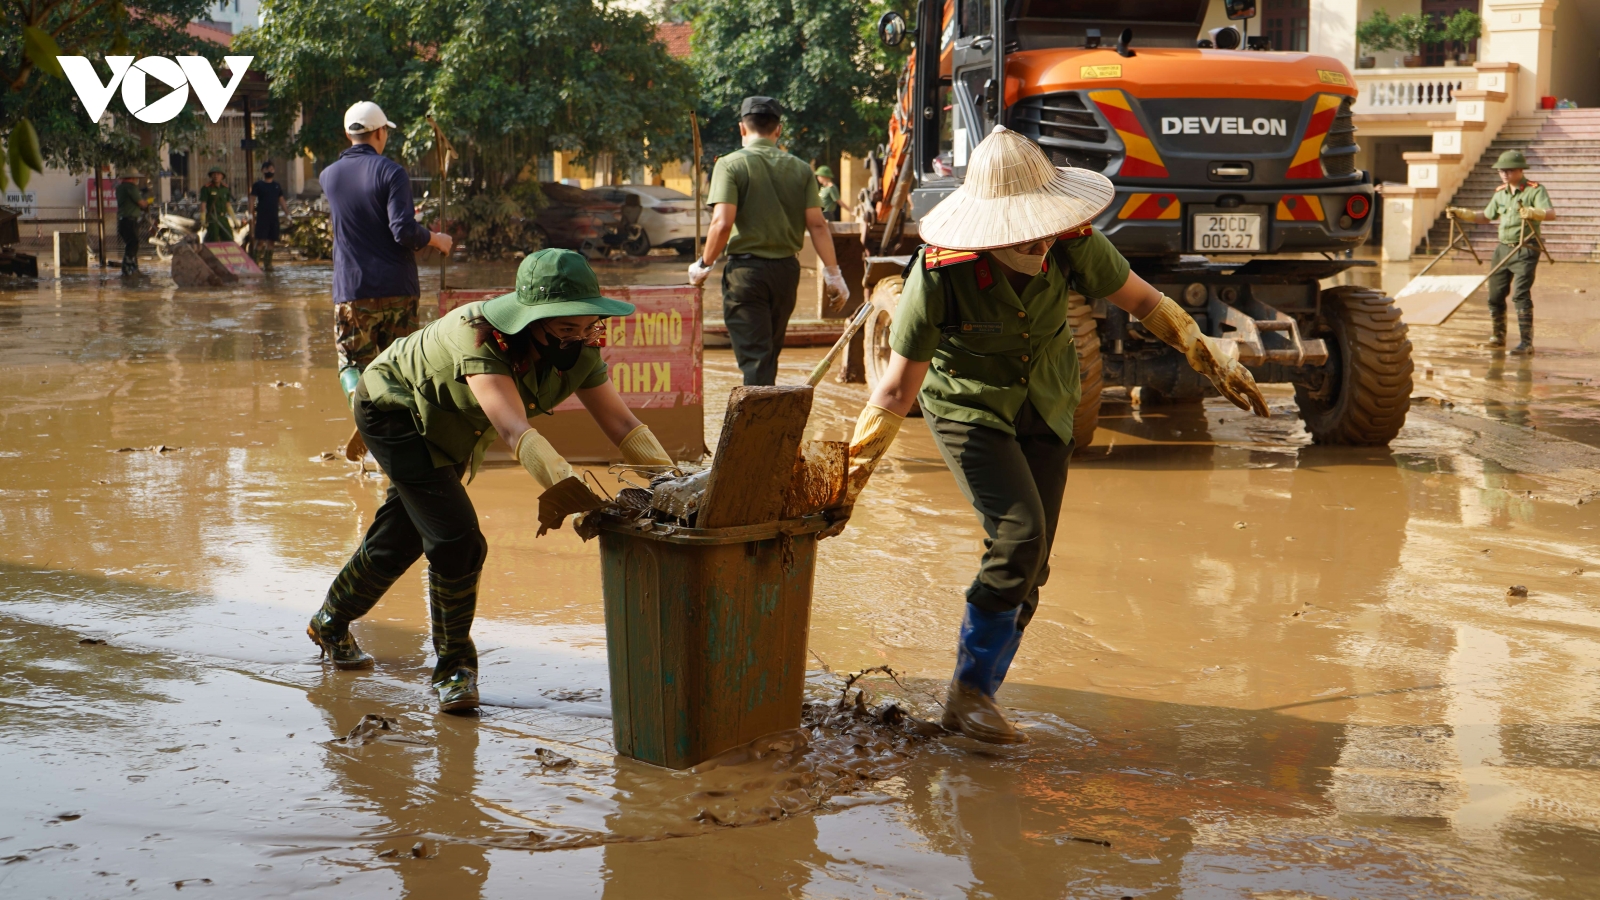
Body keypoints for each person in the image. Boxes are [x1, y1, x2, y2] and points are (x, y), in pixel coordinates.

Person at [829, 126, 1269, 744]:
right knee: (1019, 533)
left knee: (1032, 565)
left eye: (1041, 225)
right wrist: (849, 481)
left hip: (1050, 402)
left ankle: (976, 694)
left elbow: (1142, 300)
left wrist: (1207, 354)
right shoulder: (940, 272)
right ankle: (971, 696)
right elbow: (897, 390)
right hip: (969, 408)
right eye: (1020, 229)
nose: (1035, 240)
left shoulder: (1070, 244)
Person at [307, 249, 675, 712]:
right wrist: (571, 494)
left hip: (450, 428)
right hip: (393, 413)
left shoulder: (580, 350)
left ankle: (329, 621)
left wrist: (676, 486)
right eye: (565, 329)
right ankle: (454, 671)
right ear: (531, 320)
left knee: (402, 538)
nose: (578, 339)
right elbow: (512, 428)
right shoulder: (480, 339)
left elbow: (622, 427)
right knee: (458, 538)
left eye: (587, 327)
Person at [321, 101, 454, 458]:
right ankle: (404, 436)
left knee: (352, 363)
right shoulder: (392, 172)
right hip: (399, 288)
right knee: (402, 365)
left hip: (353, 290)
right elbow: (402, 231)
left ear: (349, 134)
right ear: (380, 133)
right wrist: (436, 239)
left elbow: (362, 219)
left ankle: (366, 412)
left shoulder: (328, 176)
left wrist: (412, 224)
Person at [689, 96, 850, 385]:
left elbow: (722, 223)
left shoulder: (730, 165)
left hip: (746, 276)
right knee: (768, 356)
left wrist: (704, 264)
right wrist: (833, 272)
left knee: (756, 360)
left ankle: (758, 424)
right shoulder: (801, 168)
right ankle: (768, 417)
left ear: (742, 129)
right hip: (787, 274)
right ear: (778, 130)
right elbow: (817, 224)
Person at [1448, 149, 1554, 355]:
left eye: (1509, 170)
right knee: (1495, 295)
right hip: (1503, 248)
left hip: (1526, 247)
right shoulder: (1500, 193)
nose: (1504, 174)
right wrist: (1462, 213)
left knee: (1521, 295)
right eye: (1501, 171)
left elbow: (1551, 213)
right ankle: (1498, 337)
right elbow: (1486, 217)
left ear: (1520, 170)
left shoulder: (1535, 190)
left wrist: (1534, 212)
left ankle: (1526, 343)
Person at [250, 160, 291, 271]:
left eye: (272, 169)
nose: (270, 171)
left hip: (274, 217)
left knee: (271, 240)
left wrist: (288, 214)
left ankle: (268, 265)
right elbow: (252, 199)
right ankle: (255, 264)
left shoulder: (276, 186)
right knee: (260, 240)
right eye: (267, 169)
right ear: (263, 170)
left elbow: (281, 200)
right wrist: (250, 213)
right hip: (262, 217)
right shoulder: (258, 185)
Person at [114, 173, 148, 275]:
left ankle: (131, 267)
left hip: (121, 220)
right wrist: (146, 202)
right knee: (133, 243)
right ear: (132, 178)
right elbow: (141, 203)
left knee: (130, 243)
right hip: (130, 220)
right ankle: (128, 266)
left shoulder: (119, 188)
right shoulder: (131, 188)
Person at [197, 167, 234, 243]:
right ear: (211, 176)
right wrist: (203, 219)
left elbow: (227, 204)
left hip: (223, 217)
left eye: (218, 174)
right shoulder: (206, 188)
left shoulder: (225, 189)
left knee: (229, 237)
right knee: (213, 238)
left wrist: (234, 219)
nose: (216, 176)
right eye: (213, 174)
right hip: (212, 217)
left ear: (222, 176)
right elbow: (203, 203)